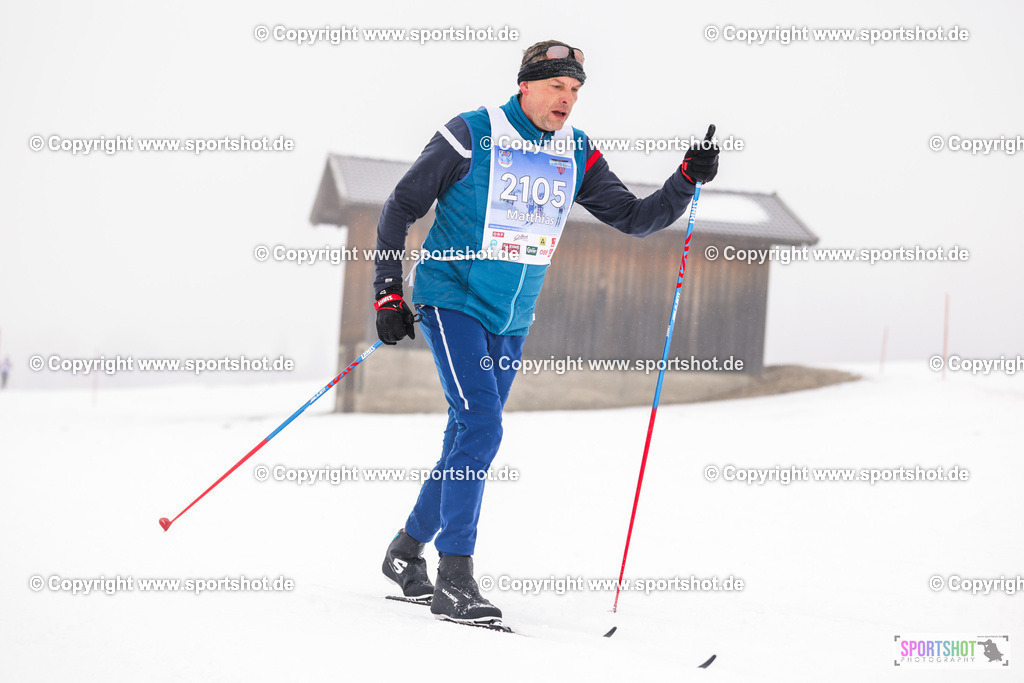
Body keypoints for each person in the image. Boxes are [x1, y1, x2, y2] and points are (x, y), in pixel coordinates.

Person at [373, 40, 719, 626]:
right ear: (526, 85)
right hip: (452, 298)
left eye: (576, 90)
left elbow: (634, 218)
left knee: (467, 434)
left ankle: (406, 550)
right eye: (557, 86)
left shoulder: (574, 150)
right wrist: (388, 292)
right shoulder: (472, 133)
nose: (567, 99)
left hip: (512, 317)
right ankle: (454, 578)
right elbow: (399, 206)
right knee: (482, 425)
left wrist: (685, 179)